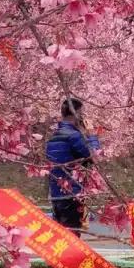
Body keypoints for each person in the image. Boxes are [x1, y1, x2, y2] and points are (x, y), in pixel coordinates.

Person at [45, 96, 98, 235]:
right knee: (72, 236)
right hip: (72, 193)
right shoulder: (73, 136)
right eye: (82, 113)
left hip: (56, 193)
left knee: (61, 236)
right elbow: (94, 156)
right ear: (77, 114)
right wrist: (92, 136)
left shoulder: (54, 136)